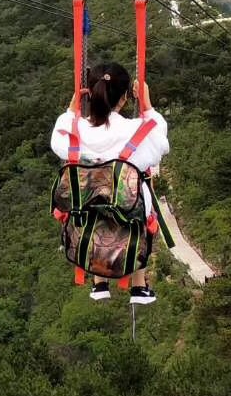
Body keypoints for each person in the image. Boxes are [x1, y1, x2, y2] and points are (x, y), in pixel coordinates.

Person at [50, 61, 170, 304]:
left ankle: (98, 281)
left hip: (87, 209)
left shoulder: (75, 131)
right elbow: (160, 144)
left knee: (93, 215)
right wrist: (147, 106)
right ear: (125, 97)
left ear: (90, 96)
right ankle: (139, 285)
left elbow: (57, 141)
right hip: (127, 208)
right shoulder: (138, 131)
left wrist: (71, 110)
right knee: (143, 217)